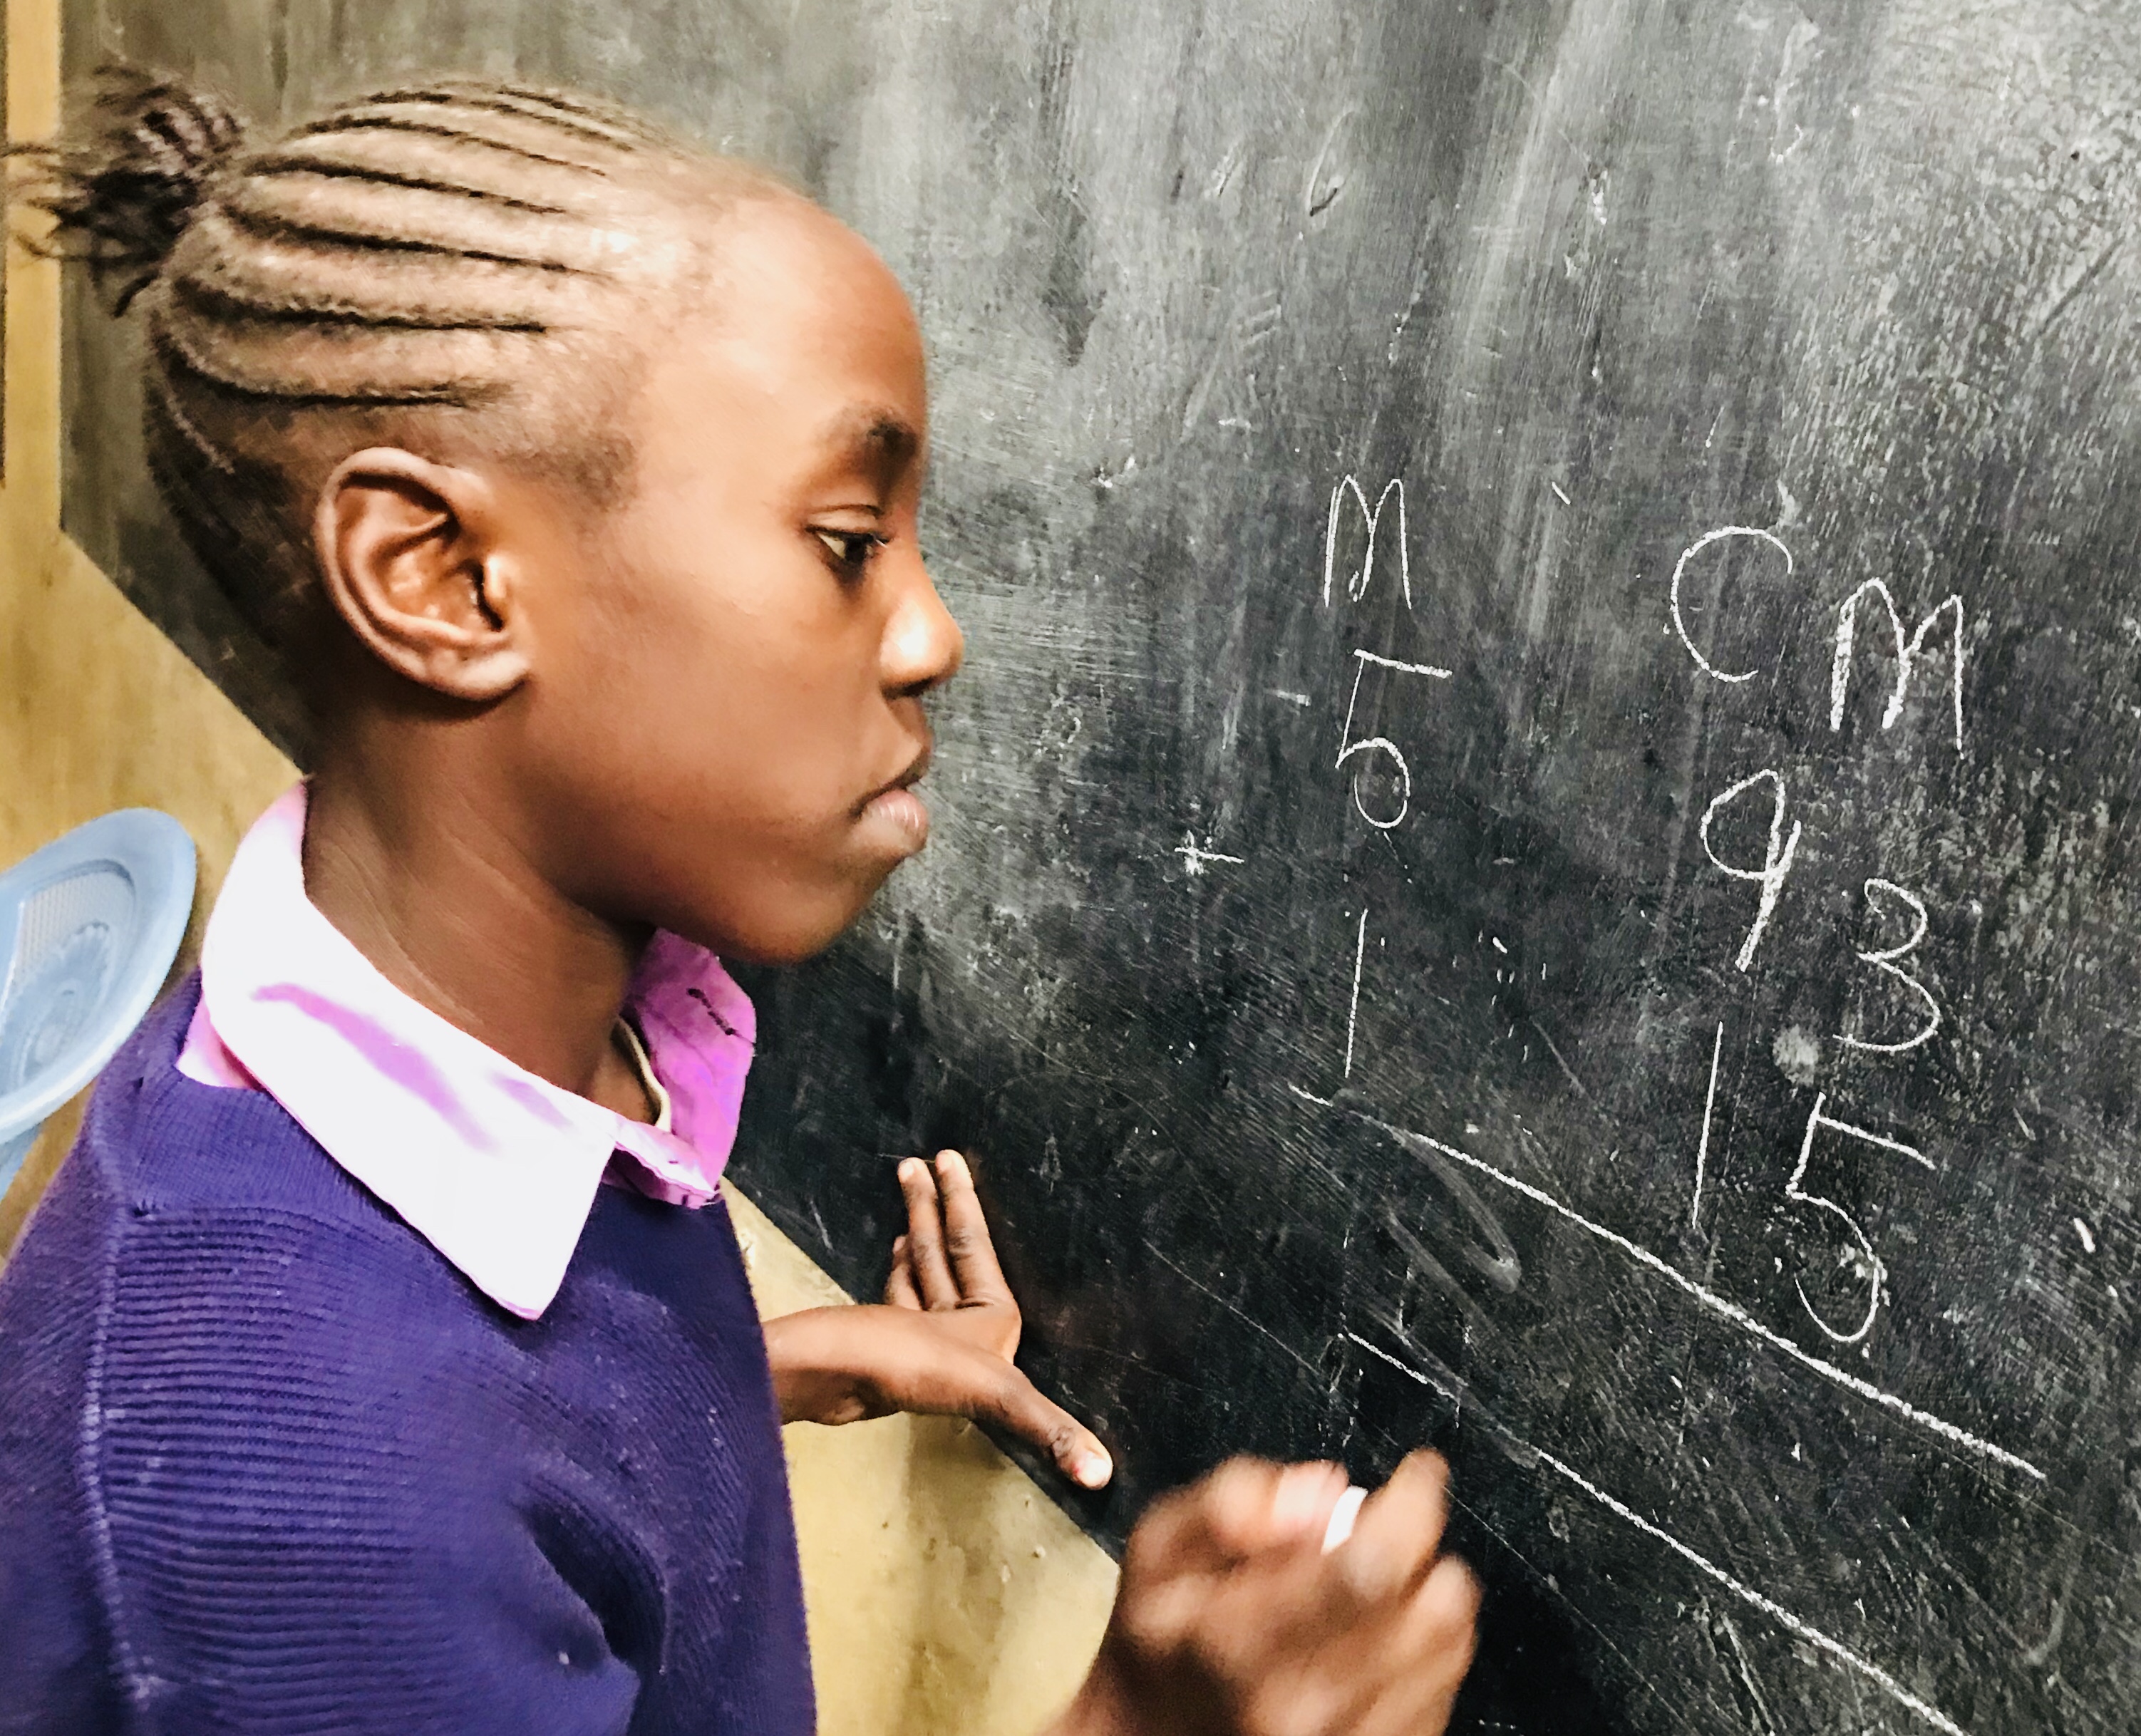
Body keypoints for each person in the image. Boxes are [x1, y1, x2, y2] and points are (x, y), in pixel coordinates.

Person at [0, 69, 1479, 1735]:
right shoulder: (295, 1520)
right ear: (441, 581)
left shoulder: (461, 1076)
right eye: (847, 541)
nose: (931, 634)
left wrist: (737, 1373)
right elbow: (390, 1498)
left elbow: (476, 1425)